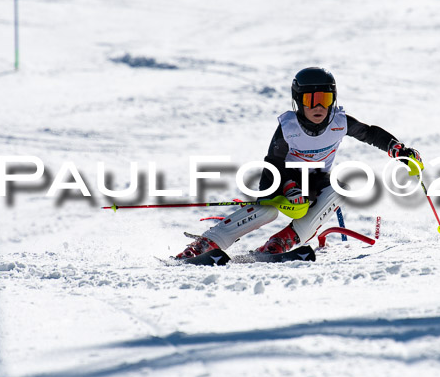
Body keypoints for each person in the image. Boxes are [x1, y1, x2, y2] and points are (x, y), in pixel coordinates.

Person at [176, 67, 422, 259]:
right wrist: (287, 187)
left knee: (340, 188)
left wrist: (396, 148)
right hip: (282, 177)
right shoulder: (288, 127)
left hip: (315, 180)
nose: (318, 106)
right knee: (270, 209)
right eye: (310, 99)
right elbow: (273, 163)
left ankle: (282, 242)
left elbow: (370, 133)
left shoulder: (340, 121)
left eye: (324, 99)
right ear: (299, 101)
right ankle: (208, 243)